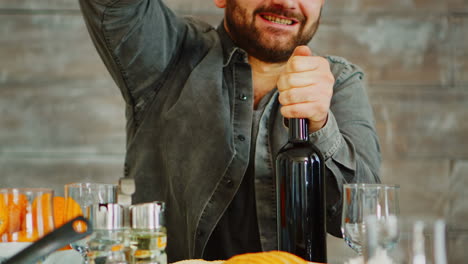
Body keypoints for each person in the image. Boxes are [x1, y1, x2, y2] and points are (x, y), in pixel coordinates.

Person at [79, 0, 381, 262]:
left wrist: (320, 126)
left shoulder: (339, 82)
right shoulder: (166, 55)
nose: (285, 3)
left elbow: (362, 219)